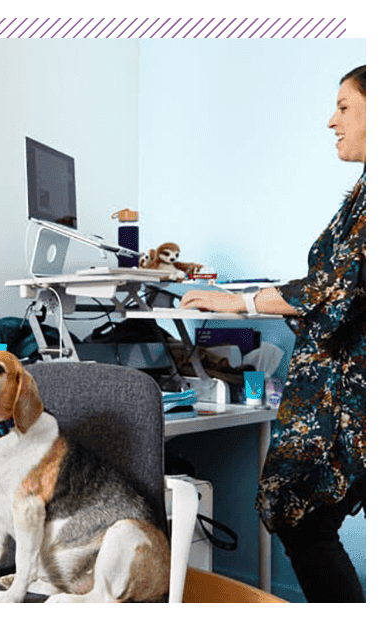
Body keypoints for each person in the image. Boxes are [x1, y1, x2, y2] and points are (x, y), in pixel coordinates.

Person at [180, 65, 365, 603]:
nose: (331, 121)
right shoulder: (363, 191)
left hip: (342, 397)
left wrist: (239, 301)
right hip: (330, 389)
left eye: (345, 107)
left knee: (302, 519)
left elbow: (331, 287)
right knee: (302, 520)